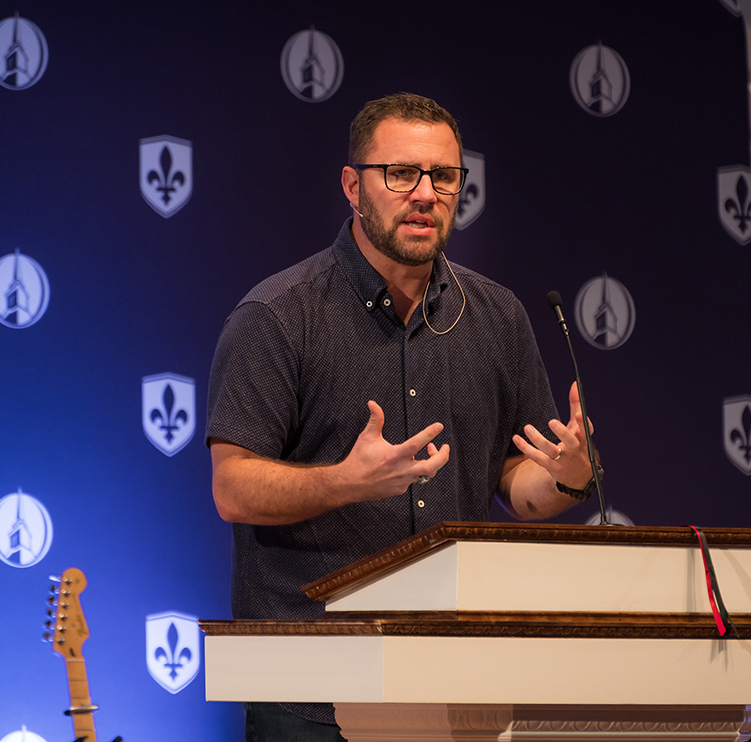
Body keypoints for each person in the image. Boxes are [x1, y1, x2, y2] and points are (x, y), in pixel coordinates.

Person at [205, 92, 599, 742]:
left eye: (443, 176)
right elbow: (233, 488)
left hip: (452, 679)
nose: (424, 194)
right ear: (352, 186)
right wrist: (345, 482)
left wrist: (570, 477)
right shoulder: (277, 317)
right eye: (400, 174)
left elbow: (519, 487)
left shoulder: (499, 317)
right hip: (311, 688)